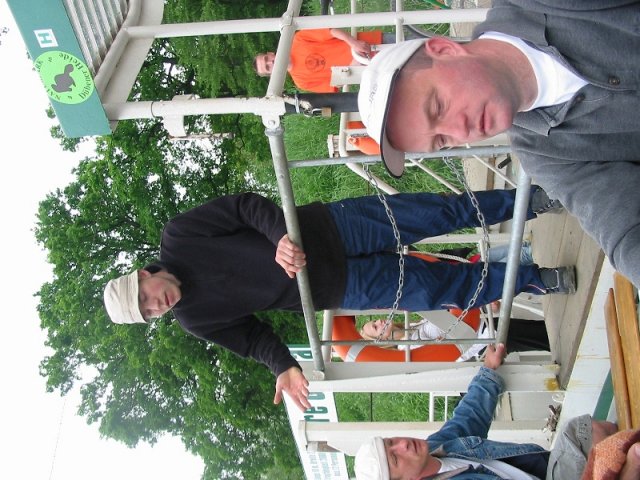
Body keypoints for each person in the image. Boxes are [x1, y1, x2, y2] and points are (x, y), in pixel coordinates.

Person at [103, 187, 573, 412]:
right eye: (149, 314)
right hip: (341, 287)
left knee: (436, 214)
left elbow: (244, 206)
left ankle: (531, 201)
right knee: (441, 290)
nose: (157, 307)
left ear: (144, 275)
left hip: (333, 227)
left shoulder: (180, 235)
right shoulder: (194, 319)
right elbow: (252, 338)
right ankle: (539, 279)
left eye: (146, 299)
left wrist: (278, 237)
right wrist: (284, 367)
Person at [357, 0, 640, 288]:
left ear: (444, 49)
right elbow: (621, 229)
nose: (461, 130)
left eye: (438, 107)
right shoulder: (543, 154)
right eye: (442, 141)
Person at [354, 343, 640, 480]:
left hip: (546, 469)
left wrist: (488, 371)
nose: (403, 445)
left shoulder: (439, 447)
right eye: (395, 458)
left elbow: (469, 417)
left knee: (591, 431)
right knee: (609, 446)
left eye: (391, 442)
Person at [360, 315, 550, 361]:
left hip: (483, 326)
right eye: (375, 327)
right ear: (381, 341)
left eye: (374, 321)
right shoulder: (406, 349)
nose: (379, 321)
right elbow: (446, 354)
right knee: (542, 338)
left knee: (539, 329)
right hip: (484, 340)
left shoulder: (412, 324)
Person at [254, 28, 390, 93]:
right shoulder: (301, 82)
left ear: (270, 54)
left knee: (403, 40)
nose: (271, 63)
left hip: (369, 42)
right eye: (267, 67)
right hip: (369, 69)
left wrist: (354, 43)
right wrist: (353, 66)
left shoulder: (298, 39)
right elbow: (336, 84)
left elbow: (331, 31)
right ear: (272, 74)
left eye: (267, 59)